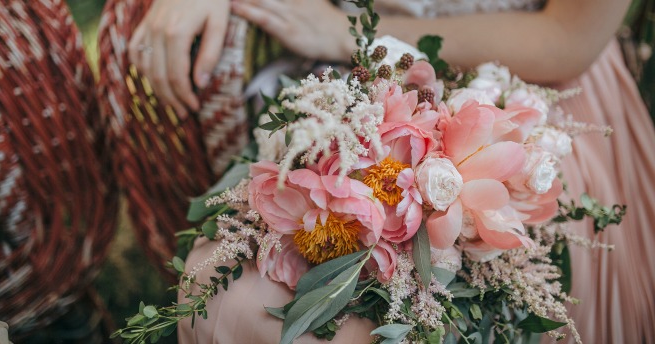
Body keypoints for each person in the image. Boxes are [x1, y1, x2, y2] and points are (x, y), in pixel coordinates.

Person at [128, 0, 655, 342]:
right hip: (355, 89)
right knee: (229, 291)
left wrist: (349, 32)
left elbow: (566, 40)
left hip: (522, 91)